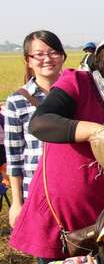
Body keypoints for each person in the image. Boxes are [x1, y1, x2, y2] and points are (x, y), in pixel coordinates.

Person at [11, 22, 104, 264]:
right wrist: (97, 132)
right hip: (59, 218)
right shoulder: (78, 83)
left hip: (103, 219)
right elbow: (41, 123)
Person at [4, 30, 66, 228]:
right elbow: (14, 157)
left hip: (71, 191)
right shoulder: (17, 101)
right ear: (28, 60)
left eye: (53, 52)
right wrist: (16, 203)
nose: (47, 59)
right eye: (39, 54)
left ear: (62, 56)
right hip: (36, 193)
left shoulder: (78, 93)